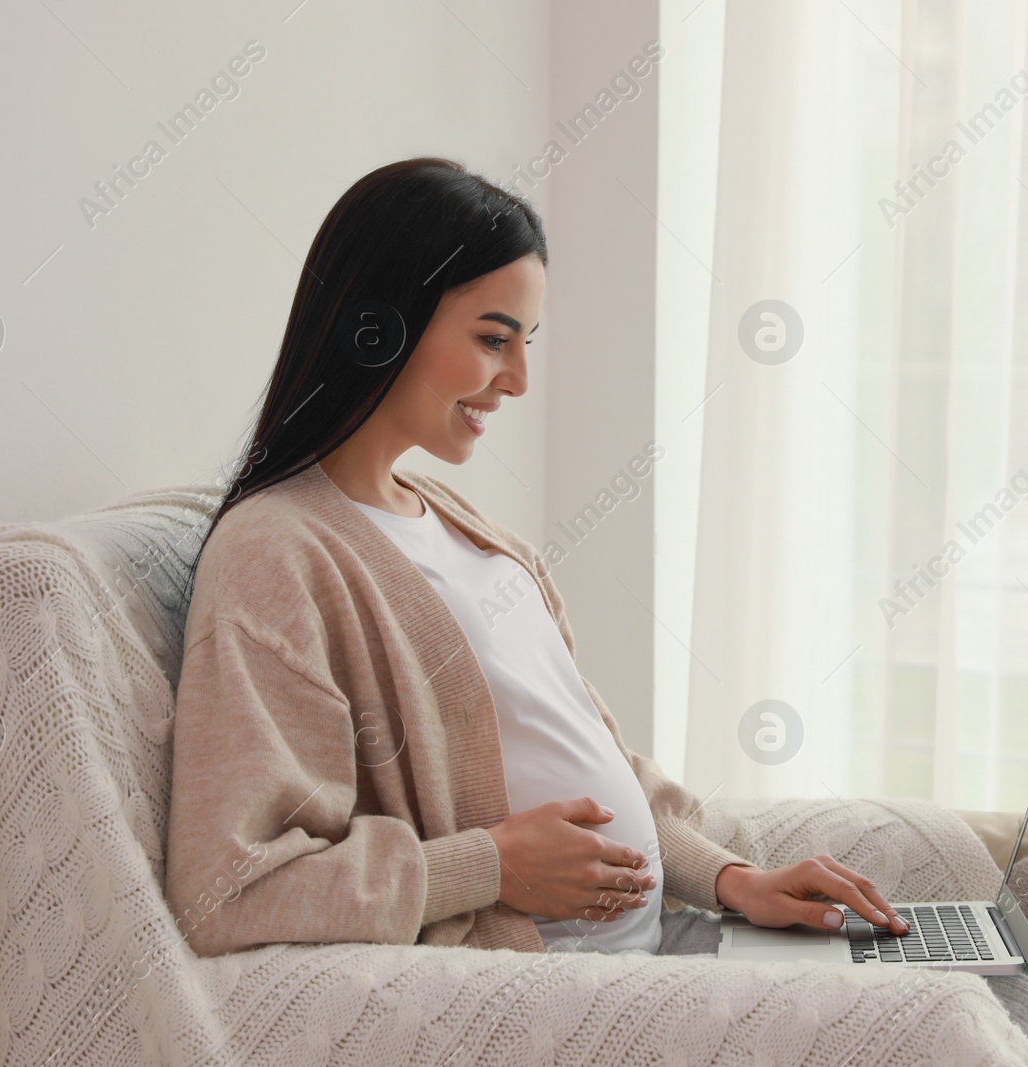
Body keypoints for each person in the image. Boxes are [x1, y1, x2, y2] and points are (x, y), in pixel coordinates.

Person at [162, 156, 913, 959]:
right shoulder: (276, 554)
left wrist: (734, 879)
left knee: (1013, 982)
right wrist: (487, 867)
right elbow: (229, 892)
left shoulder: (464, 526)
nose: (517, 380)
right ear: (378, 326)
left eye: (526, 343)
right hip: (550, 987)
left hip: (663, 940)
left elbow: (597, 762)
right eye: (493, 339)